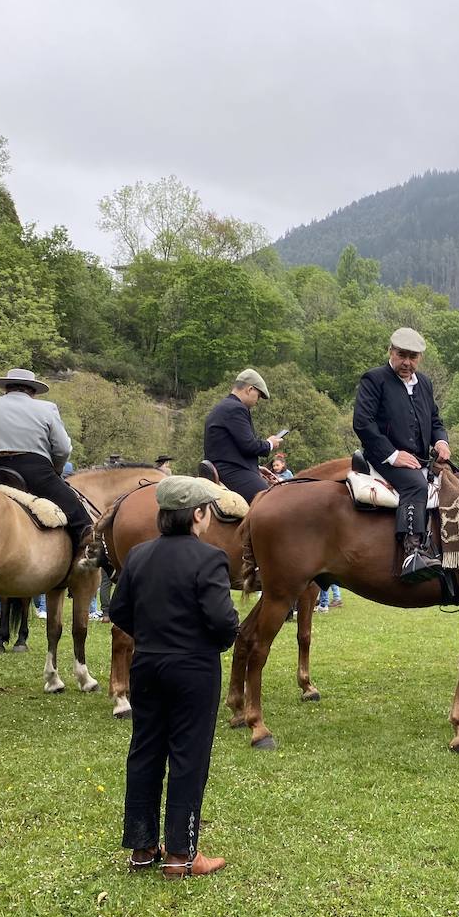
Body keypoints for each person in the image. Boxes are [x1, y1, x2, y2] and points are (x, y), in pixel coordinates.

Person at [109, 476, 240, 878]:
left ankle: (142, 848)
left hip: (146, 664)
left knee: (145, 750)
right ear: (197, 514)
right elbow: (223, 620)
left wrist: (149, 637)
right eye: (208, 512)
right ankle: (182, 854)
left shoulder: (138, 555)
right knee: (189, 756)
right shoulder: (210, 558)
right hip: (194, 669)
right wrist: (215, 641)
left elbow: (118, 611)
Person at [0, 368, 92, 566]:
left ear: (6, 389)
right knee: (81, 518)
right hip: (37, 473)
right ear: (33, 391)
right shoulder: (47, 408)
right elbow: (62, 449)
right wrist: (56, 471)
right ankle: (82, 565)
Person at [353, 327, 452, 582]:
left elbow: (434, 420)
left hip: (419, 458)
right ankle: (413, 553)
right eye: (401, 355)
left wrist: (441, 441)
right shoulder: (374, 379)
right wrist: (393, 455)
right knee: (415, 485)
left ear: (419, 358)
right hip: (383, 457)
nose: (407, 362)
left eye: (413, 356)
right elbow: (363, 423)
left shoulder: (425, 384)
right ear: (391, 352)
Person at [203, 368, 282, 505]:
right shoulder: (236, 408)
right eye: (258, 396)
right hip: (231, 471)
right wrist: (269, 444)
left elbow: (233, 448)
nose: (257, 401)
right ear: (250, 389)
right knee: (273, 502)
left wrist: (256, 469)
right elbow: (249, 446)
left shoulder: (224, 406)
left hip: (225, 468)